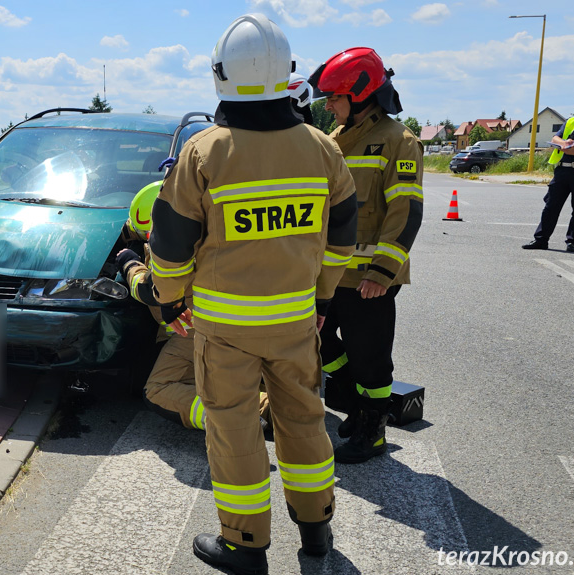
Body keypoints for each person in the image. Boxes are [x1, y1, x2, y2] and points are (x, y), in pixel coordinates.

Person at [148, 14, 358, 575]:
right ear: (284, 74)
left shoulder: (203, 153)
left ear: (220, 75)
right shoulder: (322, 149)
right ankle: (316, 531)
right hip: (296, 323)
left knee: (235, 430)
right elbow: (342, 237)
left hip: (225, 332)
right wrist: (321, 298)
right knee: (304, 422)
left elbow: (170, 248)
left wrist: (166, 298)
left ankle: (245, 546)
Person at [308, 47, 423, 464]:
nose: (329, 105)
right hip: (329, 276)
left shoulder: (398, 140)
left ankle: (372, 432)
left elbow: (406, 211)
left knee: (371, 361)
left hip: (370, 281)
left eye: (335, 98)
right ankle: (356, 409)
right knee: (316, 341)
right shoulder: (333, 141)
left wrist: (383, 271)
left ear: (360, 95)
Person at [115, 182, 273, 434]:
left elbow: (151, 290)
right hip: (241, 323)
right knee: (200, 380)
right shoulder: (205, 227)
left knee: (158, 390)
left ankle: (234, 419)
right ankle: (272, 408)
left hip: (194, 330)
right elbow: (134, 228)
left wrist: (129, 263)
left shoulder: (172, 251)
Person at [522, 93, 574, 253]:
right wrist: (564, 143)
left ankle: (572, 242)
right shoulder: (571, 121)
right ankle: (541, 240)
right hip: (562, 170)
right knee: (550, 206)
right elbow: (556, 138)